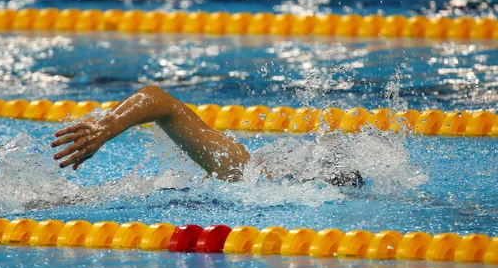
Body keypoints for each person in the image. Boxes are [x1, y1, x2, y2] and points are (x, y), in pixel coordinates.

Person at [51, 86, 363, 187]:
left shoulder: (244, 176)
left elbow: (162, 103)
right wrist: (106, 126)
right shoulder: (240, 168)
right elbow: (158, 100)